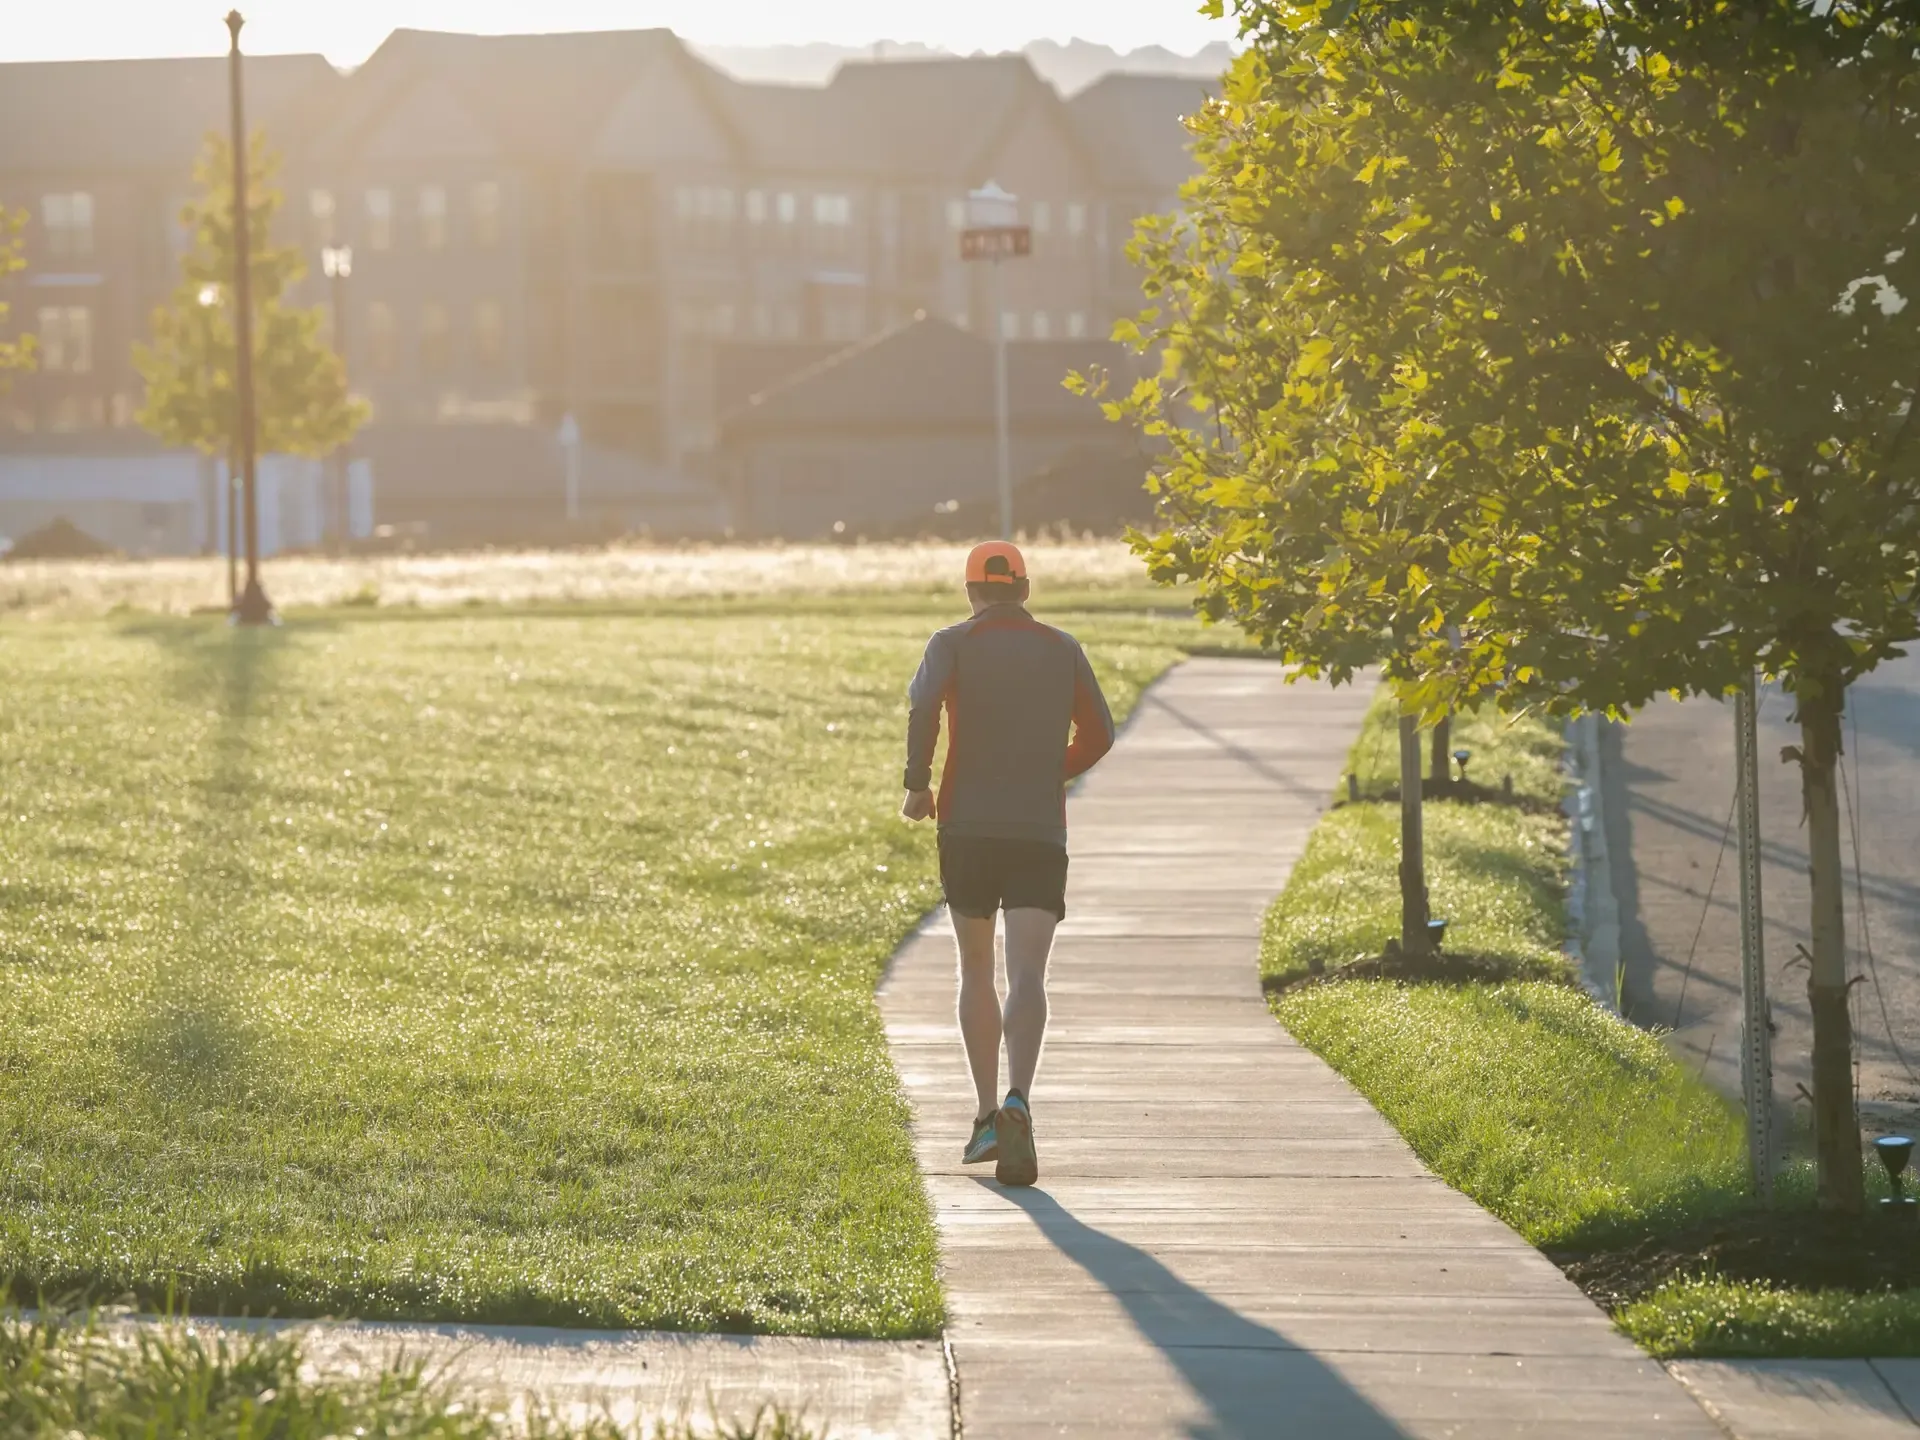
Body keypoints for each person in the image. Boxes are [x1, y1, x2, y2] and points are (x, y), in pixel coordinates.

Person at [900, 541, 1115, 1187]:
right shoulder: (1062, 647)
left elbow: (923, 705)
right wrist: (1051, 773)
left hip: (966, 825)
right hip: (1038, 830)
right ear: (1024, 589)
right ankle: (1020, 1101)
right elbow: (1099, 734)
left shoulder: (951, 642)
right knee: (1027, 973)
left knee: (974, 968)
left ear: (972, 592)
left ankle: (987, 1113)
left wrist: (918, 783)